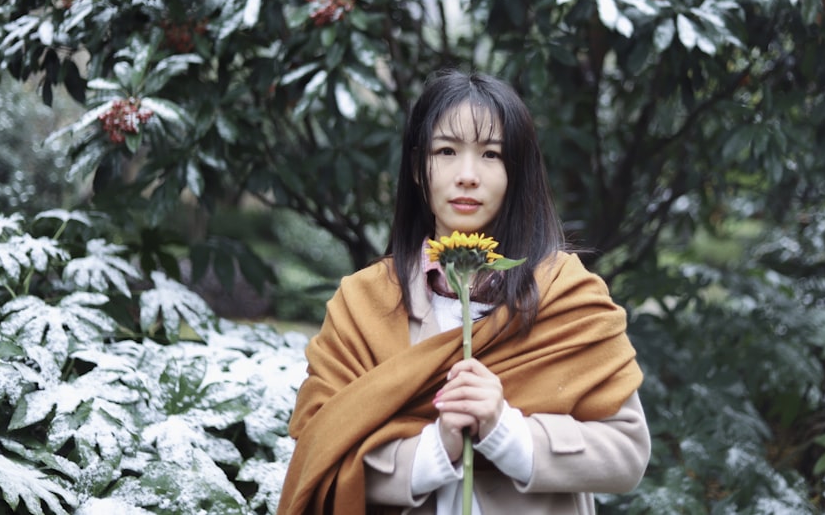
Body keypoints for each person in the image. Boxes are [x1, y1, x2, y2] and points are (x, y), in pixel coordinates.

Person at [277, 69, 650, 515]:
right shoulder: (362, 303)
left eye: (491, 154)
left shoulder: (566, 294)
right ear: (418, 166)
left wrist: (504, 430)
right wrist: (436, 448)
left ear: (516, 170)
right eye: (446, 151)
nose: (468, 175)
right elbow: (320, 446)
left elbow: (627, 453)